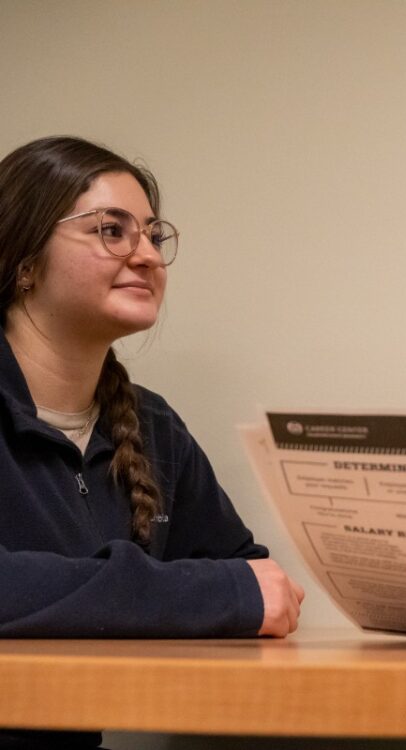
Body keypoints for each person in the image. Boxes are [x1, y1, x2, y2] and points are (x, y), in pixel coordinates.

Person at [0, 136, 304, 746]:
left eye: (153, 236)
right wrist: (203, 594)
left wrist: (227, 592)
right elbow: (233, 591)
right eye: (112, 230)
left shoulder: (153, 427)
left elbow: (252, 580)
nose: (147, 256)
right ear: (24, 261)